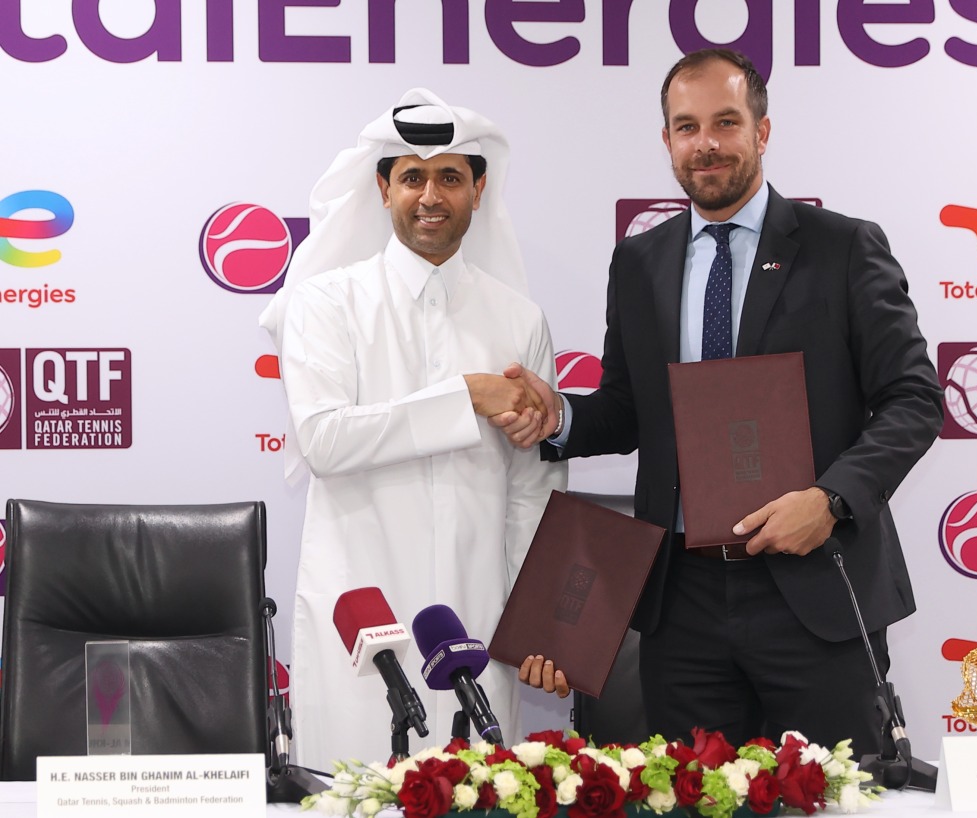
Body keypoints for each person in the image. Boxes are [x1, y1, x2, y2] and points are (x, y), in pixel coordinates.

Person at [499, 49, 942, 754]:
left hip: (813, 586)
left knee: (834, 796)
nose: (705, 143)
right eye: (686, 127)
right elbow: (628, 407)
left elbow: (914, 398)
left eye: (725, 123)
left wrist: (828, 501)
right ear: (668, 142)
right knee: (694, 797)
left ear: (761, 133)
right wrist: (561, 416)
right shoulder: (640, 262)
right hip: (685, 601)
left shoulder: (843, 248)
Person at [259, 89, 566, 767]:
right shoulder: (322, 304)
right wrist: (467, 397)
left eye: (451, 177)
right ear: (383, 187)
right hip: (360, 620)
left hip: (480, 619)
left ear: (479, 191)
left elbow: (532, 492)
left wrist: (539, 623)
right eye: (413, 177)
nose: (431, 195)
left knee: (483, 798)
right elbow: (327, 442)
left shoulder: (519, 320)